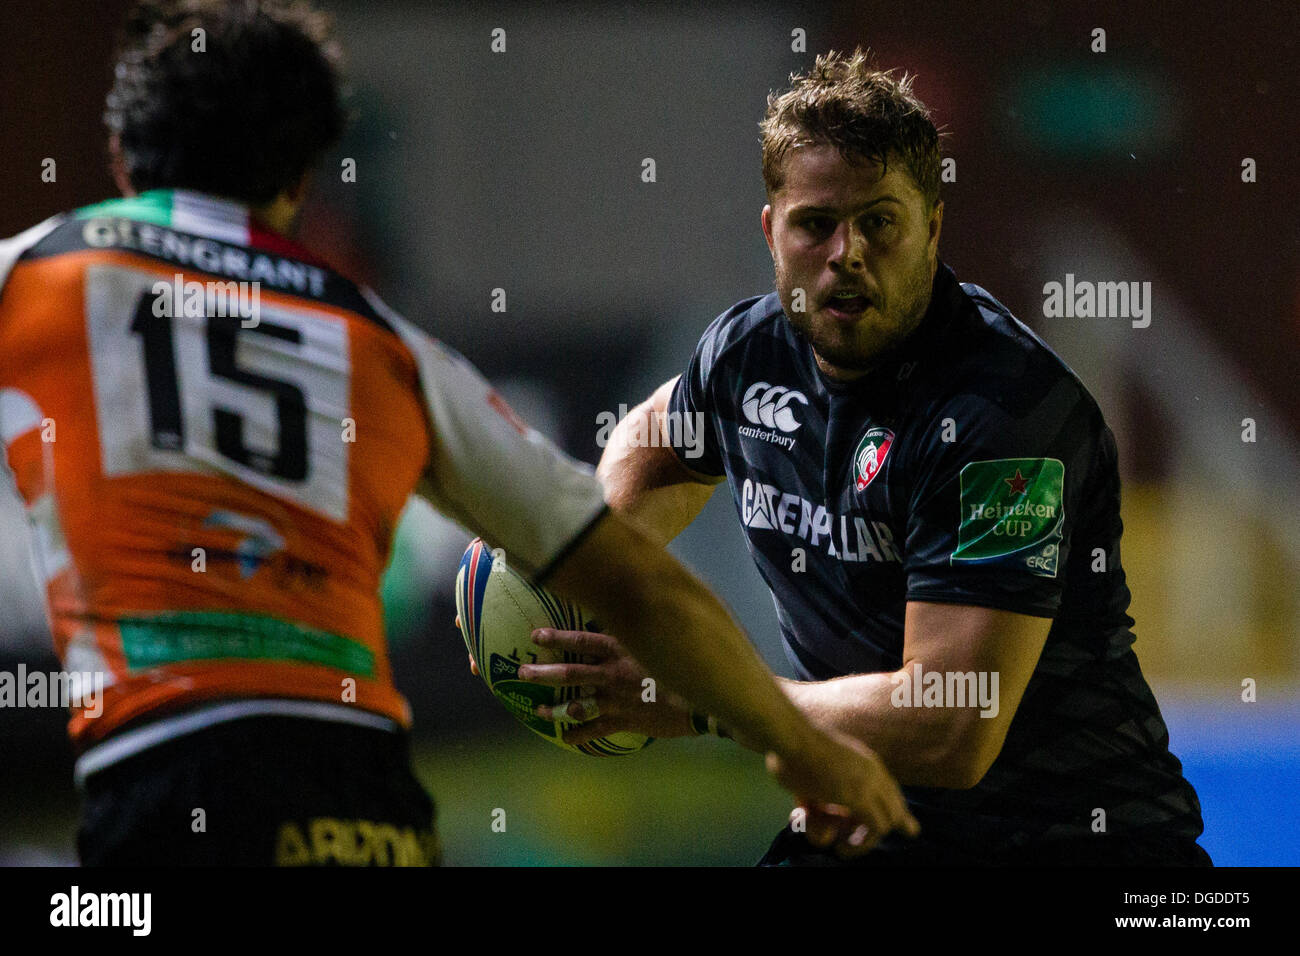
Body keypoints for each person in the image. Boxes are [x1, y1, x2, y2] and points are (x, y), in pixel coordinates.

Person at [0, 3, 916, 866]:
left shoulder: (33, 276)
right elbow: (642, 587)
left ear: (121, 157)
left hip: (165, 794)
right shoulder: (384, 344)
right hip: (367, 816)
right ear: (301, 179)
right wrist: (801, 749)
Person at [517, 49, 1212, 866]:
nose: (847, 253)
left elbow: (954, 725)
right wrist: (579, 568)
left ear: (933, 229)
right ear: (772, 231)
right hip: (876, 812)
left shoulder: (1002, 416)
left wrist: (707, 698)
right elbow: (653, 435)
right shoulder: (748, 355)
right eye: (816, 223)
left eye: (880, 221)